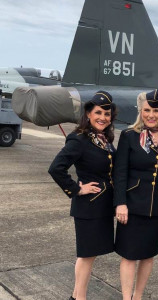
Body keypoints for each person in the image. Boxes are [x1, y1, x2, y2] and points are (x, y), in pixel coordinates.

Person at [48, 91, 117, 300]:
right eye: (98, 112)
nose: (102, 117)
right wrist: (77, 189)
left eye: (107, 113)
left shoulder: (104, 139)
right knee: (86, 256)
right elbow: (56, 168)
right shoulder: (79, 140)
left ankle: (76, 296)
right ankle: (80, 298)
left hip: (101, 207)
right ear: (88, 114)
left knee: (89, 255)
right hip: (88, 207)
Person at [113, 88, 158, 300]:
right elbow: (120, 172)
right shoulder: (129, 136)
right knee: (129, 256)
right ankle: (126, 297)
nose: (151, 115)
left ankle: (138, 296)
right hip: (131, 206)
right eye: (147, 110)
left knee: (148, 255)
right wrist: (120, 203)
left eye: (156, 110)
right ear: (141, 111)